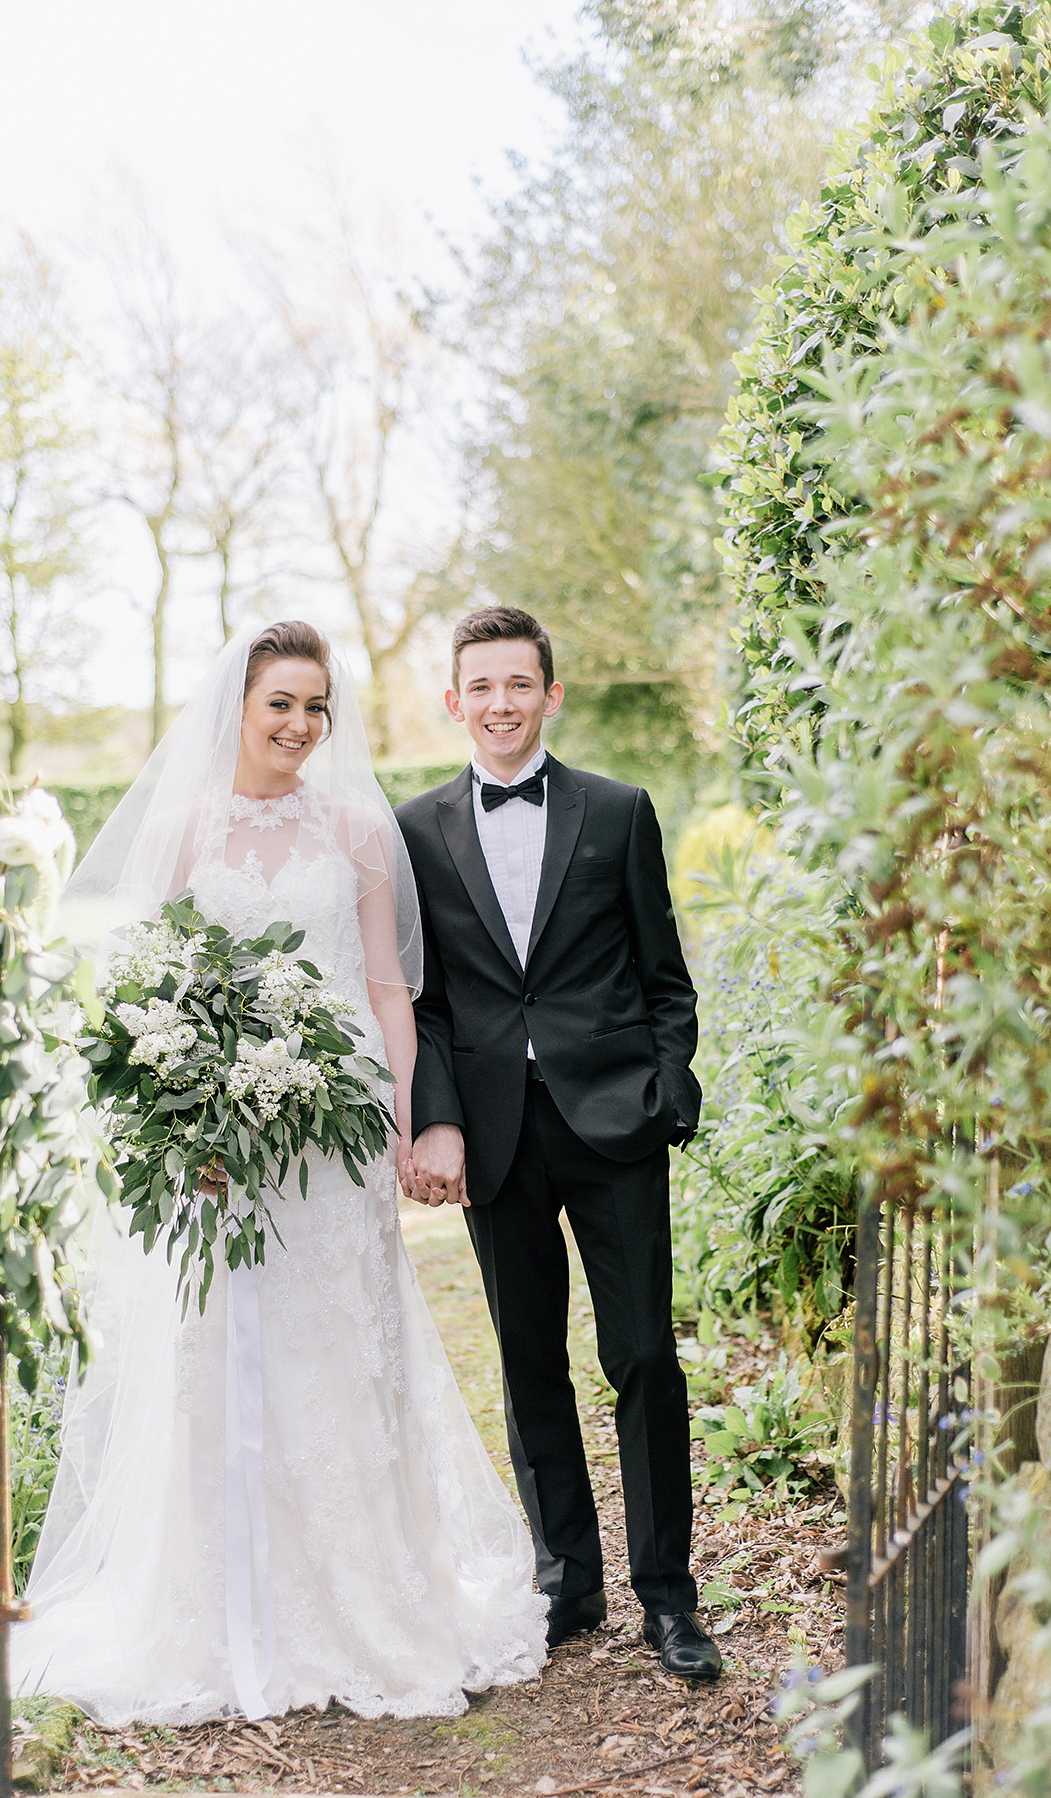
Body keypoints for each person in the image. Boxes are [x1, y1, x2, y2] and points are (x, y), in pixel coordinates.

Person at [10, 620, 547, 1726]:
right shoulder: (182, 830)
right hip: (220, 1140)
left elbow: (390, 989)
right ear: (238, 708)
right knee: (220, 1345)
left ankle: (359, 1598)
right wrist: (189, 1116)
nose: (300, 727)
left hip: (335, 1134)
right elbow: (145, 988)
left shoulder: (355, 828)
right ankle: (223, 1603)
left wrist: (405, 1116)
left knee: (341, 1344)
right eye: (281, 705)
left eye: (317, 708)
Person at [396, 605, 720, 1681]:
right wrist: (435, 1112)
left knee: (641, 1359)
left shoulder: (619, 812)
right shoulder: (415, 830)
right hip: (495, 1131)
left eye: (519, 684)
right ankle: (567, 1581)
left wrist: (669, 1088)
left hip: (615, 1118)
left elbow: (663, 972)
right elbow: (426, 999)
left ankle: (667, 1597)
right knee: (532, 1360)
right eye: (480, 687)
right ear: (454, 701)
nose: (500, 704)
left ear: (551, 693)